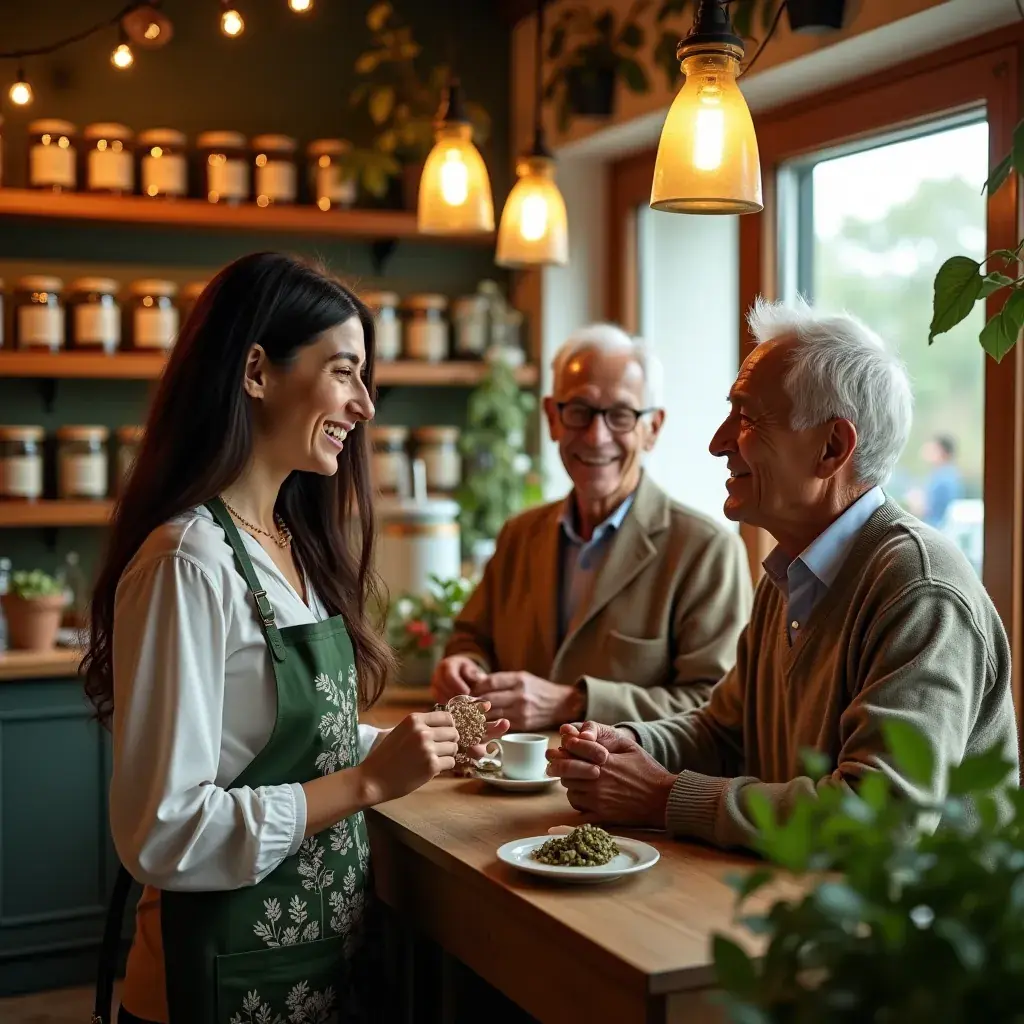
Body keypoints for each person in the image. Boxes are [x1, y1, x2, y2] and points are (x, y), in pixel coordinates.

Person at [82, 253, 508, 1024]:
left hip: (314, 969)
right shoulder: (187, 562)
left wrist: (425, 743)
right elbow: (162, 833)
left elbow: (279, 745)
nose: (365, 405)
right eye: (345, 372)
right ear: (255, 371)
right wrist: (370, 783)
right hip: (214, 981)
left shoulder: (291, 543)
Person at [546, 298, 1018, 850]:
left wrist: (662, 795)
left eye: (746, 418)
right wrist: (620, 743)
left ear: (832, 447)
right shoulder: (791, 570)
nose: (718, 442)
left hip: (916, 932)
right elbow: (721, 731)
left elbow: (883, 820)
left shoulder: (918, 585)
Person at [433, 323, 752, 730]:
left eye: (620, 415)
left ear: (652, 429)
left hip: (628, 790)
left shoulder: (708, 550)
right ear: (552, 418)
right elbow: (472, 638)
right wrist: (463, 665)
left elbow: (714, 707)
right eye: (579, 411)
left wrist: (574, 703)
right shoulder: (519, 533)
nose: (596, 437)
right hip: (505, 783)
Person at [920, 433, 963, 527]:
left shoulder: (944, 478)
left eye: (933, 449)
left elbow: (930, 509)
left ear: (943, 452)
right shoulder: (945, 474)